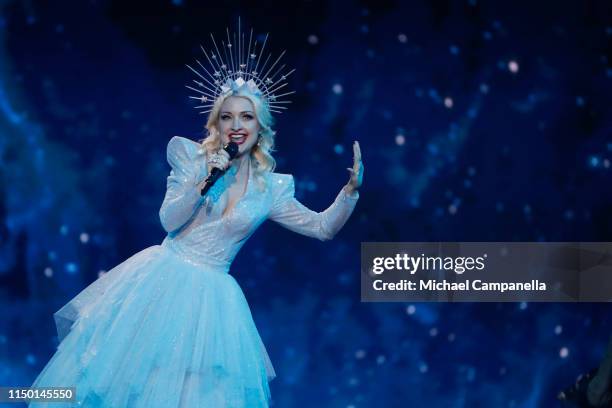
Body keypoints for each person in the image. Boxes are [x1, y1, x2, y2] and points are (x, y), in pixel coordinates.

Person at [28, 26, 363, 408]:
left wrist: (349, 192)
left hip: (214, 302)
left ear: (260, 126)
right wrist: (206, 181)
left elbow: (321, 228)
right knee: (127, 383)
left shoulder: (270, 188)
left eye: (247, 117)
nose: (237, 125)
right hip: (159, 282)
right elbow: (169, 221)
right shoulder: (192, 159)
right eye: (228, 117)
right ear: (217, 124)